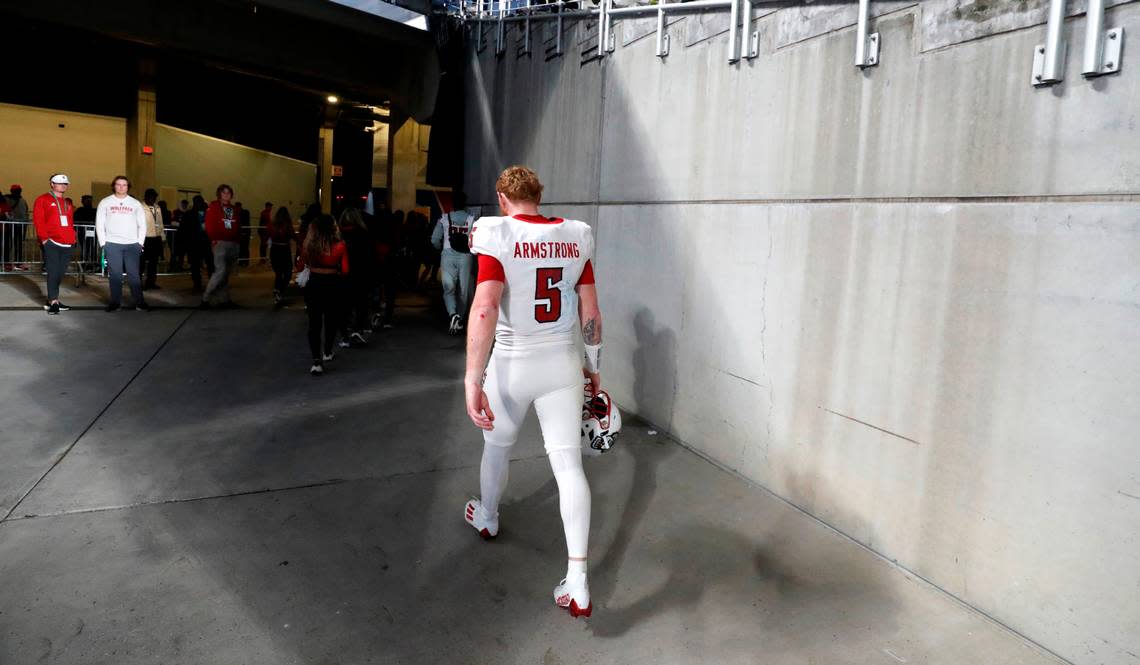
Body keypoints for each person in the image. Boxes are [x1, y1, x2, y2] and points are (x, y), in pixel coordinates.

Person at [463, 166, 603, 618]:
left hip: (512, 363)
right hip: (562, 362)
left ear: (503, 199)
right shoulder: (575, 236)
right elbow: (591, 310)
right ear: (538, 197)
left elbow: (485, 307)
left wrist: (471, 377)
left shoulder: (497, 234)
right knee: (568, 465)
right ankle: (578, 579)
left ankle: (487, 516)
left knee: (497, 446)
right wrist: (594, 366)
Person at [298, 214, 349, 375]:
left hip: (314, 283)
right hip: (333, 283)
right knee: (331, 320)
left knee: (314, 323)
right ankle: (327, 352)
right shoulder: (341, 245)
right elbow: (346, 269)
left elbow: (301, 264)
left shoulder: (309, 245)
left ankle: (316, 361)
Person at [95, 175, 149, 312]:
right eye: (118, 184)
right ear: (114, 186)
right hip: (112, 244)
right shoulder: (105, 202)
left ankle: (139, 302)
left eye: (124, 185)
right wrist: (103, 243)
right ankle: (115, 302)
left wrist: (140, 243)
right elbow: (99, 224)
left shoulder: (135, 204)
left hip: (132, 245)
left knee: (134, 275)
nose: (121, 187)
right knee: (115, 275)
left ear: (128, 187)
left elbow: (142, 225)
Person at [431, 191, 476, 335]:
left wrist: (441, 249)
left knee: (448, 287)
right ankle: (460, 321)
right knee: (463, 290)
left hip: (448, 255)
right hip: (466, 256)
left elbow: (434, 240)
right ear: (465, 204)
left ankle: (453, 315)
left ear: (453, 204)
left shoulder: (444, 218)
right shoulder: (472, 219)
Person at [31, 174, 77, 314]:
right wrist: (44, 239)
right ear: (52, 184)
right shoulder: (43, 199)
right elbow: (38, 220)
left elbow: (69, 222)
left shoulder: (67, 203)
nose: (63, 185)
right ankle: (53, 302)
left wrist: (72, 238)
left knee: (60, 273)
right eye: (59, 183)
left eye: (65, 184)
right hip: (51, 242)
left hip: (67, 242)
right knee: (53, 272)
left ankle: (52, 298)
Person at [200, 184, 241, 308]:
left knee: (226, 274)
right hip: (220, 243)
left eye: (228, 192)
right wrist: (213, 239)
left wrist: (238, 241)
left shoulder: (233, 209)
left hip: (233, 244)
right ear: (219, 194)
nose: (226, 195)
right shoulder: (213, 206)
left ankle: (224, 299)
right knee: (220, 271)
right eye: (224, 192)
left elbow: (238, 225)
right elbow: (209, 224)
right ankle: (205, 298)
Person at [338, 207, 372, 344]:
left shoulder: (339, 235)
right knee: (361, 303)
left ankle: (345, 334)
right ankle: (358, 329)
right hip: (361, 274)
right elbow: (370, 256)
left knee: (343, 305)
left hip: (343, 275)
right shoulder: (365, 234)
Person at [267, 205, 296, 304]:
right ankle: (279, 290)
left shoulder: (273, 224)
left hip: (274, 250)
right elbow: (293, 236)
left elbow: (268, 235)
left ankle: (277, 290)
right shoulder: (287, 225)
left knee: (278, 273)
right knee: (287, 273)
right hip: (284, 250)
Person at [141, 189, 164, 290]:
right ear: (146, 197)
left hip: (156, 238)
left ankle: (151, 282)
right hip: (145, 238)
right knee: (141, 263)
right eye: (151, 197)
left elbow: (160, 223)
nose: (153, 199)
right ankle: (139, 284)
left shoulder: (157, 207)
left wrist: (162, 236)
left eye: (155, 197)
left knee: (153, 262)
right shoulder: (140, 208)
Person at [5, 184, 29, 270]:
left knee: (18, 245)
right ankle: (6, 262)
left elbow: (26, 213)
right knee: (8, 245)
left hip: (19, 226)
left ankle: (18, 262)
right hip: (10, 226)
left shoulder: (22, 200)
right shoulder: (7, 199)